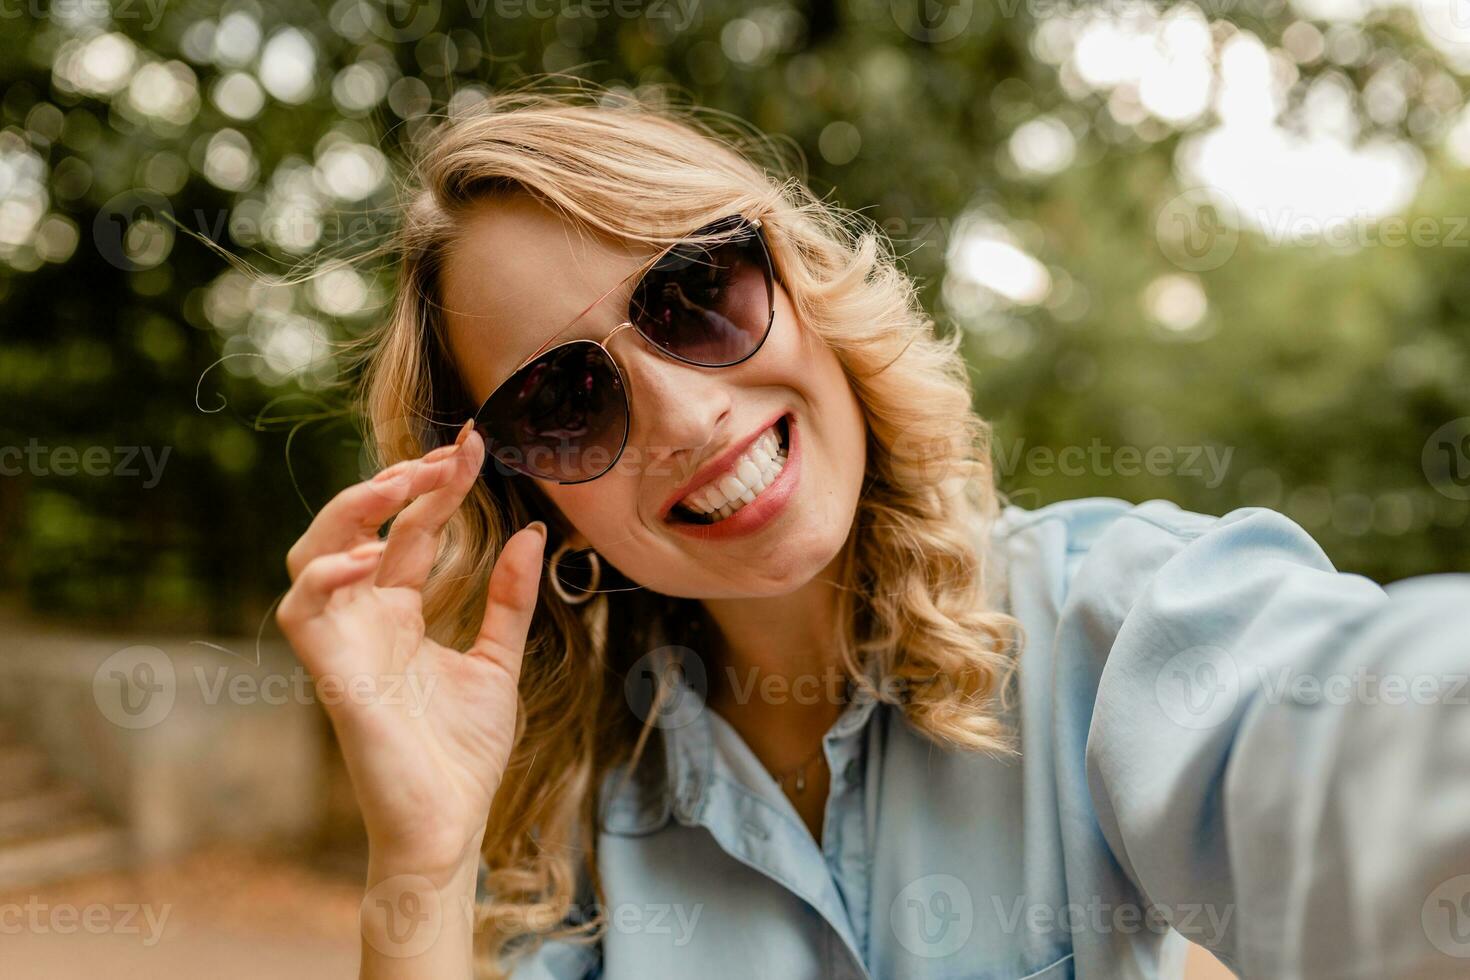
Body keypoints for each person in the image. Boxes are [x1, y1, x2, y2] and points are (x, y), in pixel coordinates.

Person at [274, 87, 1470, 980]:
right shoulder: (573, 814)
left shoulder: (1114, 613)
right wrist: (422, 870)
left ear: (797, 285)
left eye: (695, 293)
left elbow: (1373, 765)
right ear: (533, 500)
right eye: (565, 404)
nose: (687, 417)